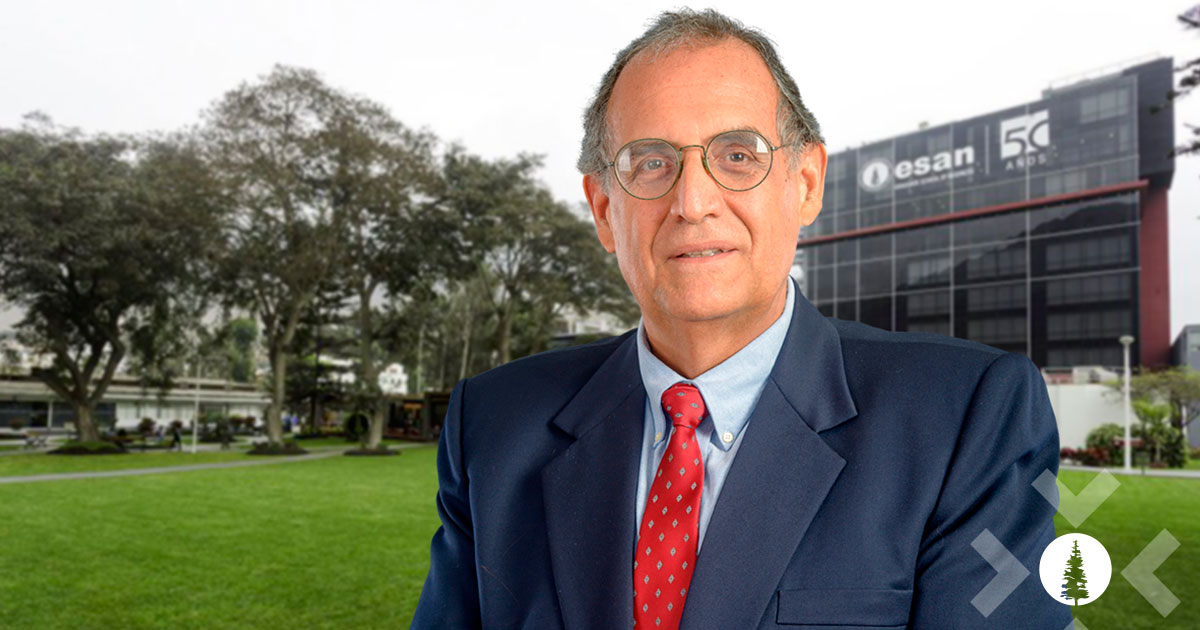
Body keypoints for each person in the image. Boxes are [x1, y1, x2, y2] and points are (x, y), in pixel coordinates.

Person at [412, 9, 1070, 629]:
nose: (693, 202)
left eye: (738, 155)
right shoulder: (494, 426)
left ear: (806, 183)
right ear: (604, 210)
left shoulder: (964, 416)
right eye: (651, 163)